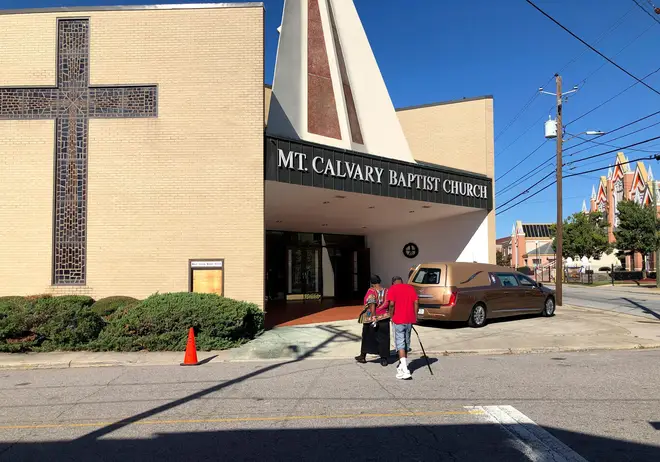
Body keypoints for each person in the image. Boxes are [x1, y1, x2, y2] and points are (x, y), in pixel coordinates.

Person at [387, 276, 419, 380]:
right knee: (406, 343)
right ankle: (401, 366)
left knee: (400, 343)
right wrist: (415, 316)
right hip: (409, 319)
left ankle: (405, 369)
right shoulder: (410, 288)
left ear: (393, 283)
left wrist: (391, 316)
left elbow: (391, 304)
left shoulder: (393, 289)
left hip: (398, 319)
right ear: (402, 282)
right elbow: (416, 303)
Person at [355, 275, 391, 367]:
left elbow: (372, 303)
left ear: (372, 283)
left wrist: (374, 316)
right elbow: (390, 303)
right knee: (384, 338)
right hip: (384, 317)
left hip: (371, 318)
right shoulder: (387, 291)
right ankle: (384, 359)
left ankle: (363, 356)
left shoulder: (371, 291)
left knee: (367, 336)